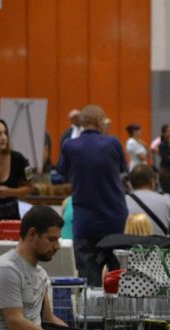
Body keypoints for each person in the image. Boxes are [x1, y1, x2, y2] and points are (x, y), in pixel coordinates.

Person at [56, 104, 127, 285]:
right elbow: (122, 170)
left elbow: (61, 174)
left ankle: (90, 309)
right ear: (98, 121)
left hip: (85, 221)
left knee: (88, 276)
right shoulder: (113, 143)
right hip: (114, 218)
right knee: (117, 274)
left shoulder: (69, 146)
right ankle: (116, 312)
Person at [125, 164, 170, 236]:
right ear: (152, 181)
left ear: (131, 183)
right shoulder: (166, 200)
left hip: (131, 246)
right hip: (160, 246)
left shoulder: (123, 202)